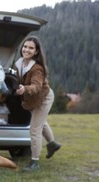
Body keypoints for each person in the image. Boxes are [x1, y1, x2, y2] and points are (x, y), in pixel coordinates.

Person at [14, 35, 61, 172]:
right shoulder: (20, 63)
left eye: (31, 48)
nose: (27, 50)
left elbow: (36, 86)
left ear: (36, 52)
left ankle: (34, 162)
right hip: (35, 98)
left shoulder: (37, 68)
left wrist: (24, 89)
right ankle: (52, 144)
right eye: (25, 46)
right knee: (40, 122)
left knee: (35, 129)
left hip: (44, 98)